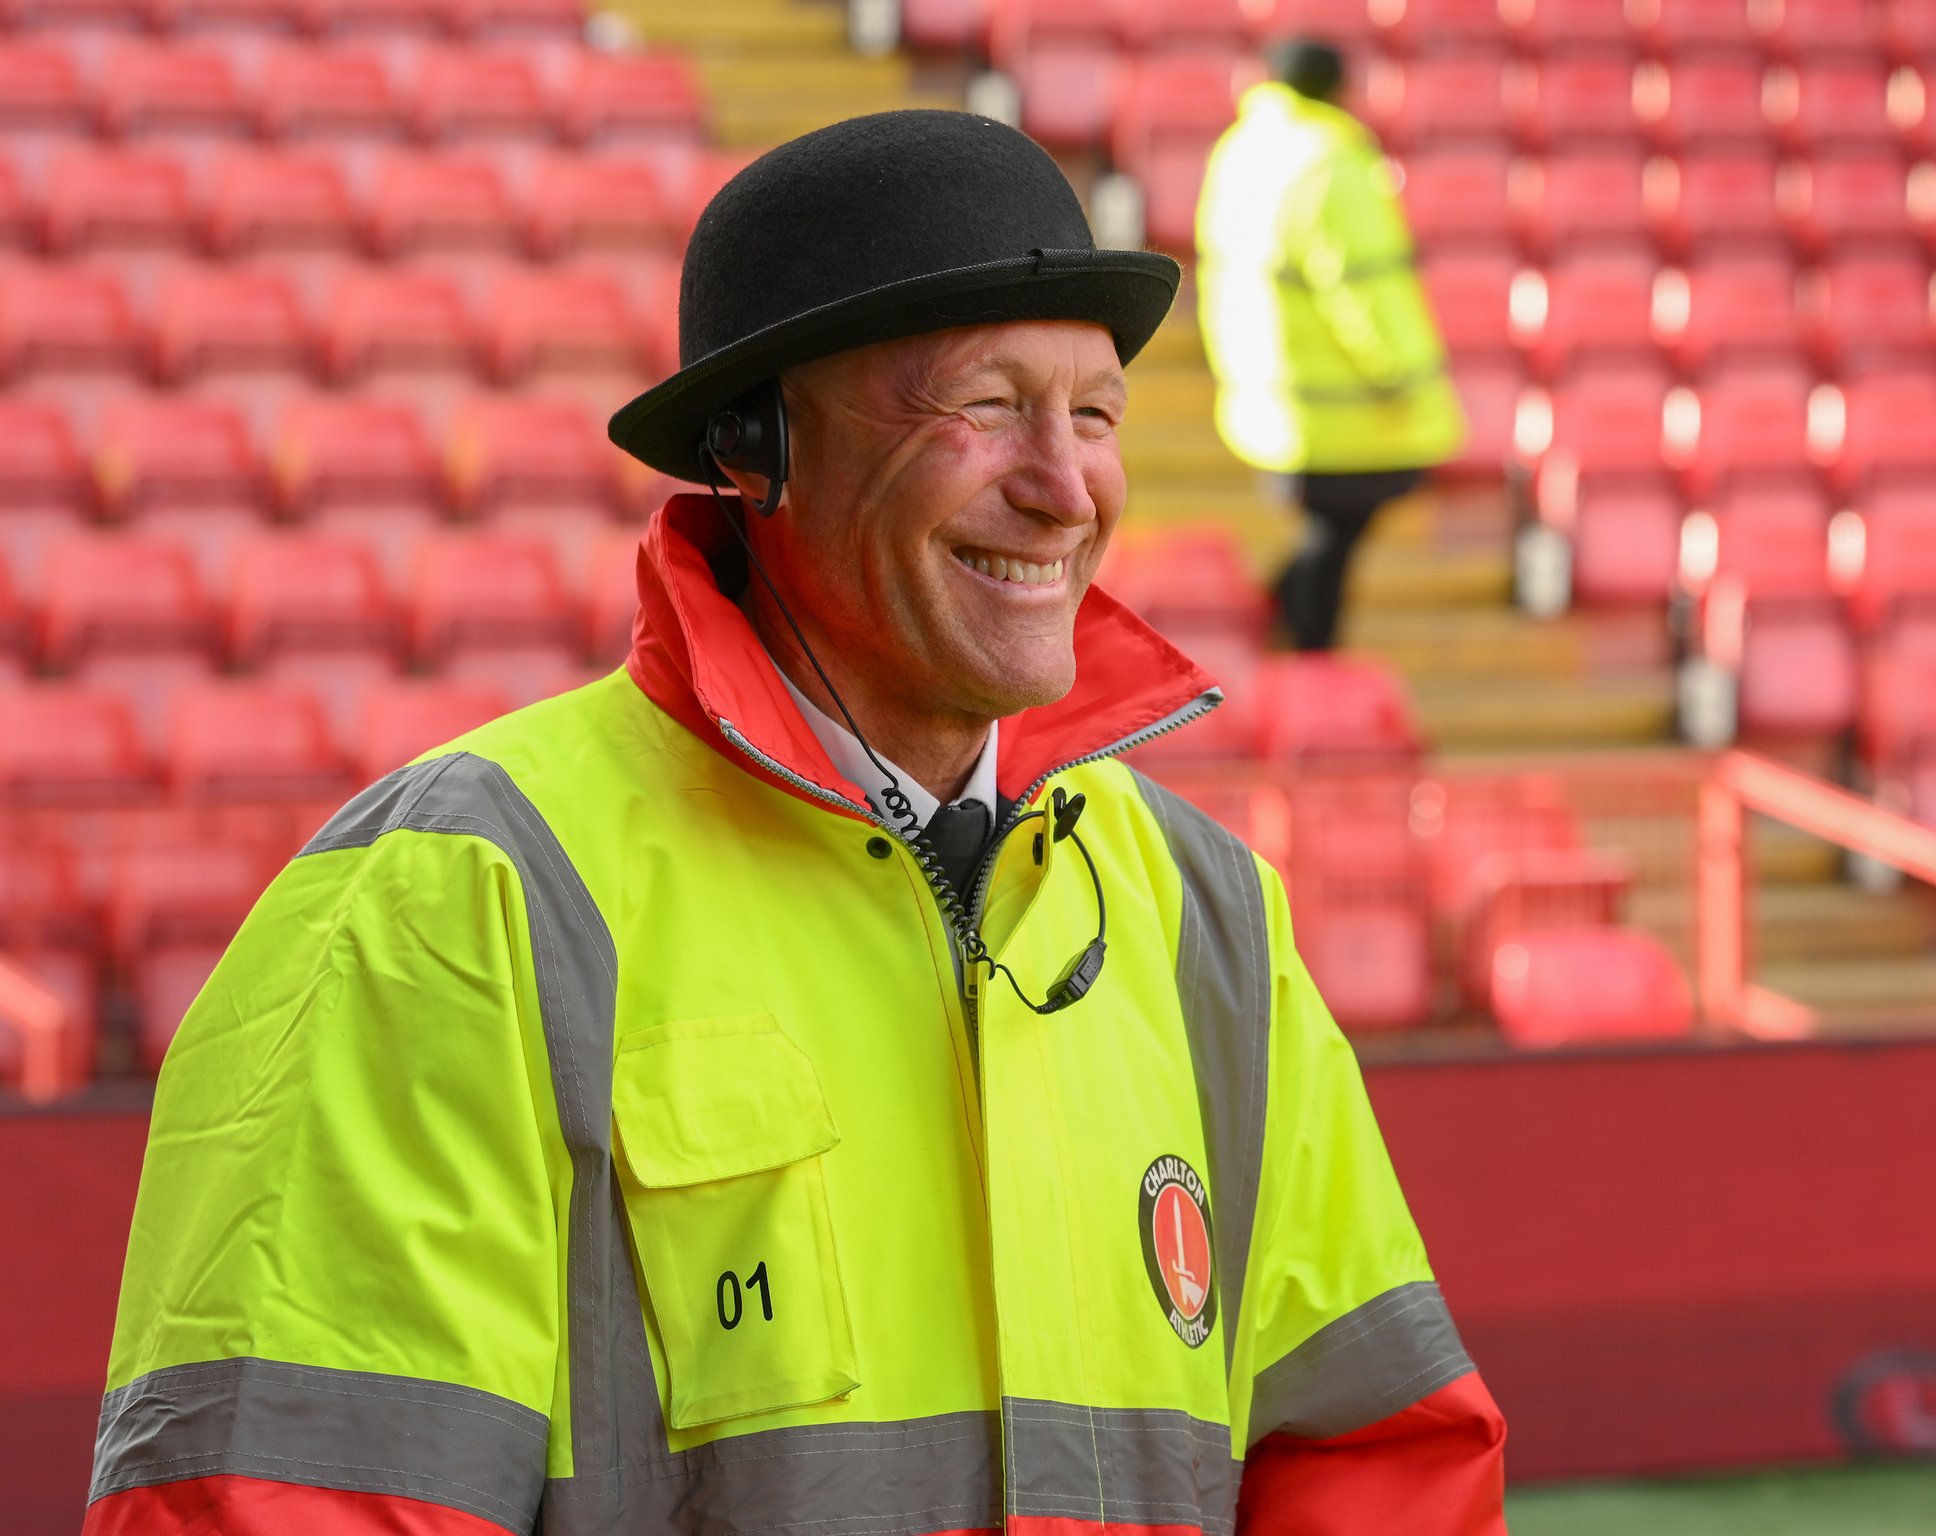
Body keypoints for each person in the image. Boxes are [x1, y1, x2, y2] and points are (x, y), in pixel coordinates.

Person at [84, 110, 1506, 1536]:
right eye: (984, 404)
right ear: (755, 447)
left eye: (1093, 414)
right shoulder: (455, 901)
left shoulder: (1212, 916)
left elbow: (1379, 1463)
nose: (1065, 488)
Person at [1196, 38, 1467, 652]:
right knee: (1335, 536)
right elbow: (1363, 293)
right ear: (1342, 90)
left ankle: (1287, 623)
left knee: (1331, 534)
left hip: (1270, 387)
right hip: (1341, 404)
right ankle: (1301, 645)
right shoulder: (1330, 165)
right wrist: (1403, 378)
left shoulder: (1238, 149)